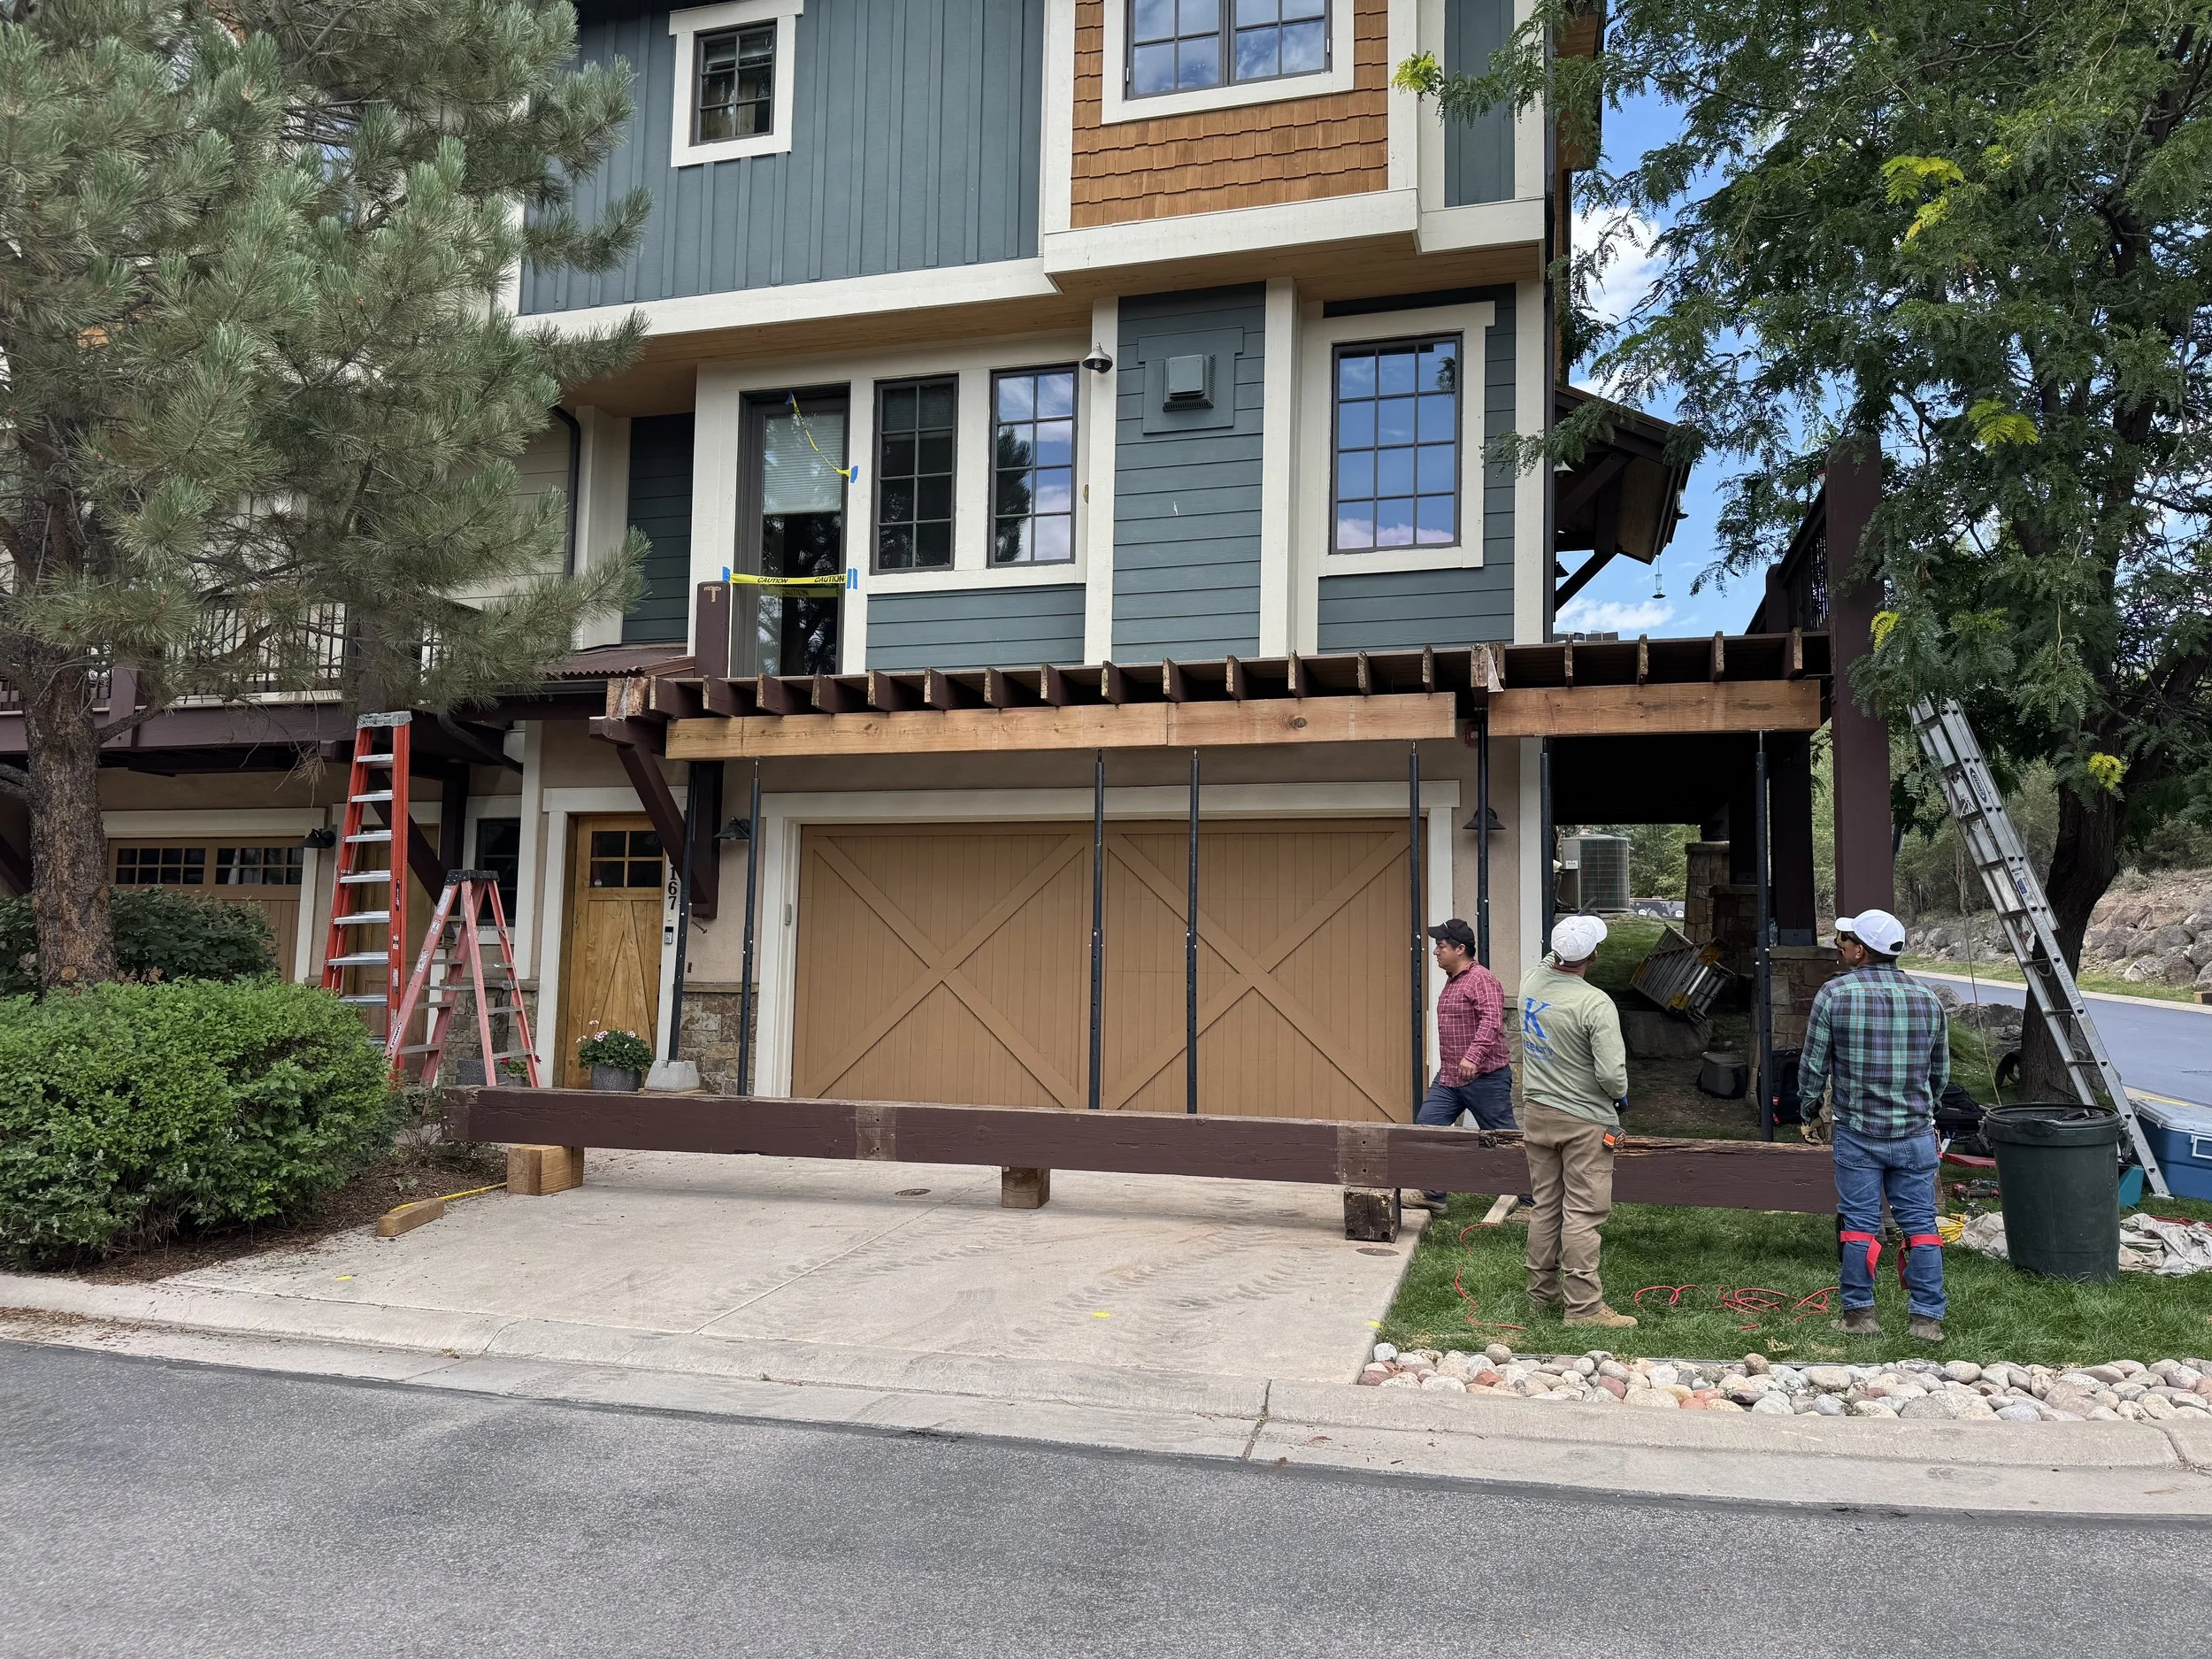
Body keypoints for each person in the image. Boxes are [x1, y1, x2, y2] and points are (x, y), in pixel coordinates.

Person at [1797, 908, 1952, 1342]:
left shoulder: (1833, 995)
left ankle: (1860, 1317)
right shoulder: (1928, 998)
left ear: (1861, 951)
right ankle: (1927, 1321)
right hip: (1915, 1133)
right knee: (1921, 1224)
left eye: (1844, 941)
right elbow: (1939, 1073)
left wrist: (1808, 1109)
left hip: (1858, 1134)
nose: (1841, 946)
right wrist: (1928, 1110)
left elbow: (1813, 1066)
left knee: (1859, 1224)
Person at [1517, 914, 1635, 1328]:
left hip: (1537, 1113)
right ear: (1594, 955)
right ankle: (1584, 1308)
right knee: (1583, 1212)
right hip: (1585, 1120)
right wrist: (1619, 1097)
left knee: (1546, 1205)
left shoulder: (1530, 981)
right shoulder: (1594, 1003)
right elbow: (1611, 1075)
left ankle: (1541, 1295)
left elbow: (1553, 960)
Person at [1411, 918, 1513, 1209]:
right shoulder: (1454, 981)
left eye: (1440, 946)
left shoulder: (1481, 979)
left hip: (1486, 1078)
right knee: (1428, 1125)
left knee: (1503, 1140)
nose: (1435, 952)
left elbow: (1492, 1020)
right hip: (1451, 1078)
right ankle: (1433, 1194)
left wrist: (1473, 1056)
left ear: (1460, 949)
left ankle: (1532, 1201)